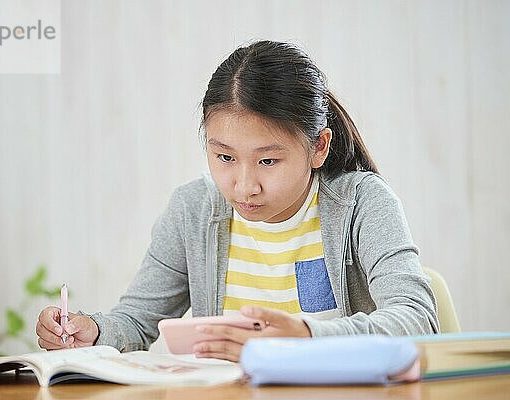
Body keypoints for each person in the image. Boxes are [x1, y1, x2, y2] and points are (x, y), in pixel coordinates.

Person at [36, 40, 439, 362]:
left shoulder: (361, 202)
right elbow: (137, 321)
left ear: (319, 147)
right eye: (224, 157)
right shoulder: (193, 210)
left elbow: (418, 320)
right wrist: (93, 329)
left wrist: (306, 337)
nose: (244, 187)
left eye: (267, 160)